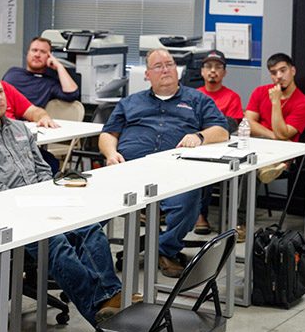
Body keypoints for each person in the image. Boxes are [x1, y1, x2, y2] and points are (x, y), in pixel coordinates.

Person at [0, 72, 122, 326]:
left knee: (89, 228)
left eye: (0, 92)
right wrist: (22, 201)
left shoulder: (19, 128)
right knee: (55, 242)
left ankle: (111, 297)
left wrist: (44, 195)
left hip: (39, 203)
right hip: (0, 213)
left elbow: (42, 168)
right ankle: (100, 313)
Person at [98, 48, 228, 278]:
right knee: (93, 202)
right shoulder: (130, 102)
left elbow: (221, 130)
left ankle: (164, 249)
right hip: (129, 168)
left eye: (169, 64)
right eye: (158, 66)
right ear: (147, 74)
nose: (165, 69)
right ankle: (85, 256)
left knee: (189, 200)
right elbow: (108, 133)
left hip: (176, 171)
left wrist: (200, 136)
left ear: (177, 70)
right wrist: (110, 153)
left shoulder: (197, 100)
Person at [244, 53, 305, 183]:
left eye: (283, 70)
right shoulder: (260, 91)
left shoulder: (303, 104)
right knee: (241, 160)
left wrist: (276, 102)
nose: (279, 76)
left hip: (282, 150)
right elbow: (247, 123)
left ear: (293, 71)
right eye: (274, 73)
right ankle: (265, 168)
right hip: (256, 142)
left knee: (249, 168)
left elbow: (282, 134)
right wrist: (272, 136)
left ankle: (267, 167)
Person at [194, 49, 243, 235]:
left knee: (206, 167)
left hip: (220, 148)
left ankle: (201, 215)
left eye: (218, 67)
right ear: (202, 72)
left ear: (224, 72)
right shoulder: (193, 95)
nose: (213, 71)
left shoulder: (232, 97)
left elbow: (230, 124)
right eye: (208, 67)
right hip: (194, 145)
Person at [2, 36, 80, 107]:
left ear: (49, 57)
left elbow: (72, 94)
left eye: (43, 52)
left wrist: (59, 66)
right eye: (34, 50)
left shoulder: (49, 83)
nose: (37, 55)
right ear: (28, 53)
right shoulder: (13, 73)